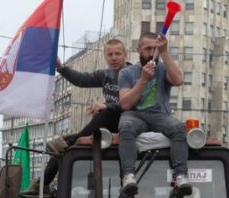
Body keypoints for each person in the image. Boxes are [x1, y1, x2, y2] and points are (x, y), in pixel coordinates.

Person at [43, 39, 131, 182]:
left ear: (125, 54)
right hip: (109, 121)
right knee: (63, 146)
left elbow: (133, 102)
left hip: (128, 119)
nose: (114, 58)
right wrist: (61, 68)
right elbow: (82, 80)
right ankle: (43, 182)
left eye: (118, 54)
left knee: (104, 114)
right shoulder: (105, 75)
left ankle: (70, 140)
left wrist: (106, 106)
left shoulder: (134, 73)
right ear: (105, 56)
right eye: (110, 54)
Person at [117, 32, 188, 189]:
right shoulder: (127, 73)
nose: (151, 53)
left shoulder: (163, 69)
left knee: (179, 128)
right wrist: (143, 80)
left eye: (154, 49)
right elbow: (125, 104)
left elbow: (178, 80)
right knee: (126, 127)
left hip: (160, 114)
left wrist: (164, 52)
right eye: (147, 49)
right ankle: (128, 175)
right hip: (135, 115)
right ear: (139, 50)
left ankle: (180, 175)